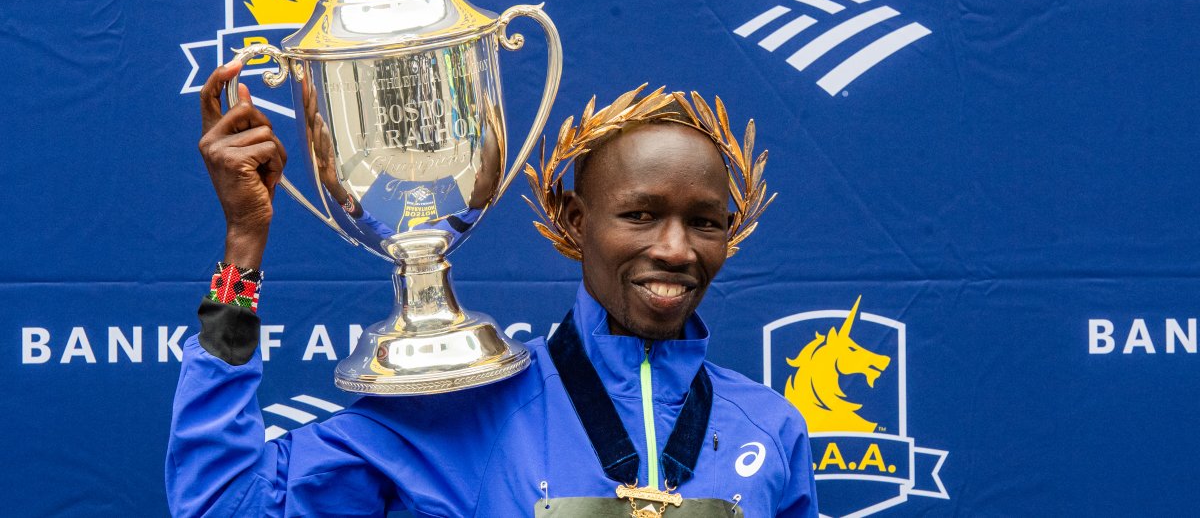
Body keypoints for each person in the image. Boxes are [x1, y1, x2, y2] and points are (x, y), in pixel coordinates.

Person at [167, 60, 818, 517]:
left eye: (703, 222)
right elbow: (225, 503)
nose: (675, 248)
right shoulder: (464, 409)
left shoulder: (770, 426)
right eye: (640, 215)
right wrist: (243, 245)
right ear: (572, 218)